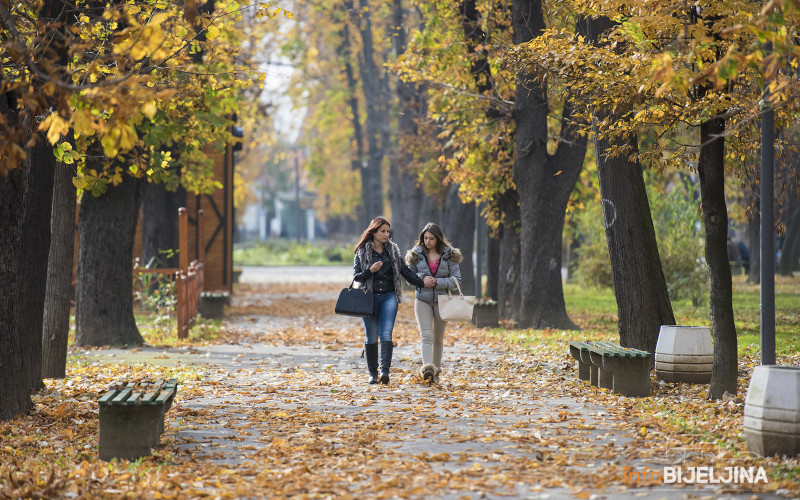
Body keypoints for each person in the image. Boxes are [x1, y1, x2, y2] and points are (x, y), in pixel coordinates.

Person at [353, 217, 435, 385]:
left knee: (386, 334)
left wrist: (422, 282)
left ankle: (384, 372)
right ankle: (372, 374)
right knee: (371, 336)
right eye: (382, 231)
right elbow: (357, 277)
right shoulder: (362, 251)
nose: (386, 234)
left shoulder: (393, 250)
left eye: (387, 231)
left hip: (389, 296)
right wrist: (370, 270)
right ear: (374, 232)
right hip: (368, 298)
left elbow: (405, 271)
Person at [405, 222, 462, 384]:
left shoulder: (450, 255)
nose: (427, 241)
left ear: (438, 239)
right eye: (425, 238)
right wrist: (422, 279)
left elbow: (456, 280)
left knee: (438, 338)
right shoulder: (416, 254)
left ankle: (435, 372)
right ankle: (427, 370)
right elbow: (410, 279)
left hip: (442, 301)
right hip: (422, 300)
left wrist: (437, 282)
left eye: (431, 238)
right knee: (426, 335)